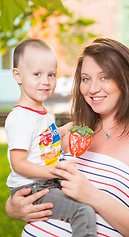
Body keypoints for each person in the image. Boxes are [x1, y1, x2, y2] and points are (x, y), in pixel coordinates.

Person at [6, 37, 129, 236]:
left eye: (104, 77)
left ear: (126, 80)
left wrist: (93, 196)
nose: (93, 88)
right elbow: (31, 179)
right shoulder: (74, 133)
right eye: (86, 79)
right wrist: (13, 207)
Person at [5, 38, 97, 237]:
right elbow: (18, 163)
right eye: (37, 74)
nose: (45, 81)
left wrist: (66, 129)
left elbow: (45, 140)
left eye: (51, 74)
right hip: (32, 187)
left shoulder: (41, 113)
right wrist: (54, 170)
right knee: (83, 211)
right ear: (18, 75)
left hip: (44, 181)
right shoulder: (21, 117)